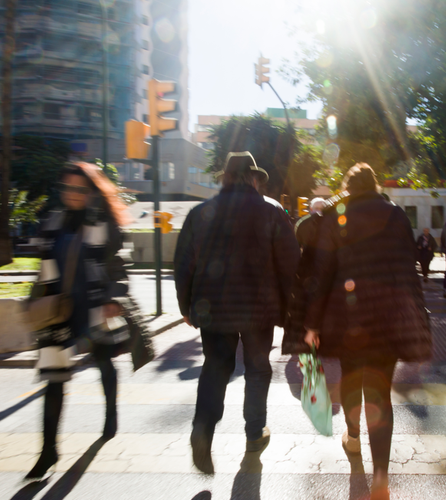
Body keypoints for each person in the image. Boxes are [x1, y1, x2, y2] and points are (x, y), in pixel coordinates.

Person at [292, 163, 431, 500]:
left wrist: (311, 324)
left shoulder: (337, 215)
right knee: (380, 395)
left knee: (352, 380)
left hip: (347, 319)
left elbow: (322, 274)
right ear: (375, 185)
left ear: (348, 187)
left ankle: (352, 436)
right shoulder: (396, 216)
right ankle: (381, 478)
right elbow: (408, 266)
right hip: (388, 318)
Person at [174, 151, 299, 474]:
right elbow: (290, 265)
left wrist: (185, 306)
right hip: (259, 308)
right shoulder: (272, 212)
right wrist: (290, 311)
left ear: (225, 178)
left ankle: (203, 430)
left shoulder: (201, 212)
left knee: (216, 367)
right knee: (258, 369)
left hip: (212, 308)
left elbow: (183, 263)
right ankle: (254, 434)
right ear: (253, 178)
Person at [25, 161, 132, 480]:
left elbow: (118, 265)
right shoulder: (52, 221)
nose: (72, 194)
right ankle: (48, 451)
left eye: (79, 188)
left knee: (104, 363)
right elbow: (42, 265)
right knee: (53, 379)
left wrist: (115, 297)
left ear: (91, 190)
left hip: (96, 307)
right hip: (58, 311)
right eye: (67, 188)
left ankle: (111, 413)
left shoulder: (104, 221)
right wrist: (39, 302)